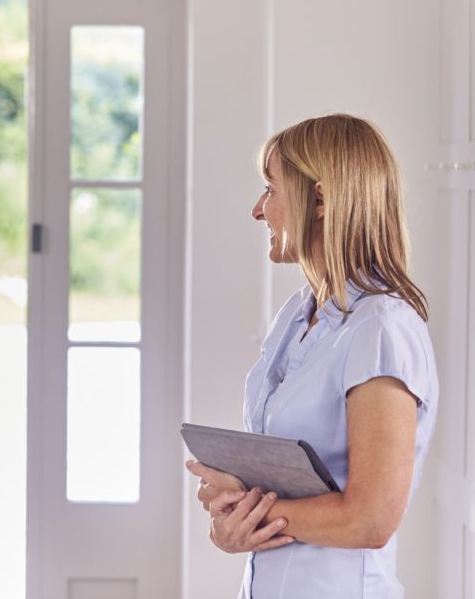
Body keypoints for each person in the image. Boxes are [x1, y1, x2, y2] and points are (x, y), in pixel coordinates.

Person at [185, 114, 439, 598]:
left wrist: (246, 515)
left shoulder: (381, 327)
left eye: (270, 189)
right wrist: (230, 509)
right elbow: (286, 465)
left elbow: (370, 519)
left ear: (320, 199)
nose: (259, 211)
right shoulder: (299, 314)